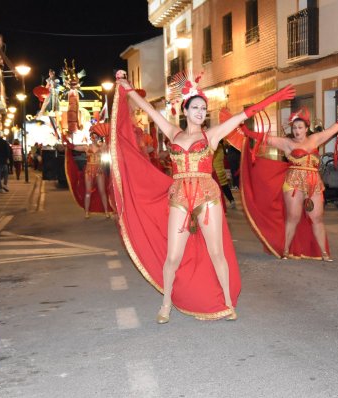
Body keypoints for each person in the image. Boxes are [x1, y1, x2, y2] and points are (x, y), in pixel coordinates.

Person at [113, 70, 295, 323]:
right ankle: (165, 304)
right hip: (179, 198)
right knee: (173, 256)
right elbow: (150, 111)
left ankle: (228, 303)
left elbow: (244, 115)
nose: (200, 112)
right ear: (185, 111)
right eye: (195, 107)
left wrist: (272, 98)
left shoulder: (212, 135)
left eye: (203, 108)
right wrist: (127, 86)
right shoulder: (173, 133)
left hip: (207, 197)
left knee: (216, 253)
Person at [240, 107, 338, 261]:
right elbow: (264, 138)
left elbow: (332, 129)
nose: (296, 131)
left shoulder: (315, 139)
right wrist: (244, 128)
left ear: (306, 128)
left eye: (300, 128)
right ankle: (286, 250)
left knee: (317, 218)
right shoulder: (287, 143)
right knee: (293, 217)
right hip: (293, 183)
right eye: (294, 128)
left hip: (314, 183)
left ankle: (324, 253)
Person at [65, 126, 112, 218]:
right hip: (89, 170)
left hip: (99, 170)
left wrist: (108, 140)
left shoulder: (102, 146)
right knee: (88, 191)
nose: (94, 138)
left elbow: (110, 150)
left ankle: (106, 212)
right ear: (90, 137)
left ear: (99, 137)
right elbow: (74, 147)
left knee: (102, 191)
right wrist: (67, 141)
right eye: (92, 136)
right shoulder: (86, 147)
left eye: (96, 136)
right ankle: (86, 212)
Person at [213, 140, 236, 209]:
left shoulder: (215, 147)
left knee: (218, 189)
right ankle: (231, 200)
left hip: (215, 172)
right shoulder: (221, 147)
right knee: (225, 187)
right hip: (221, 171)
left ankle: (219, 204)